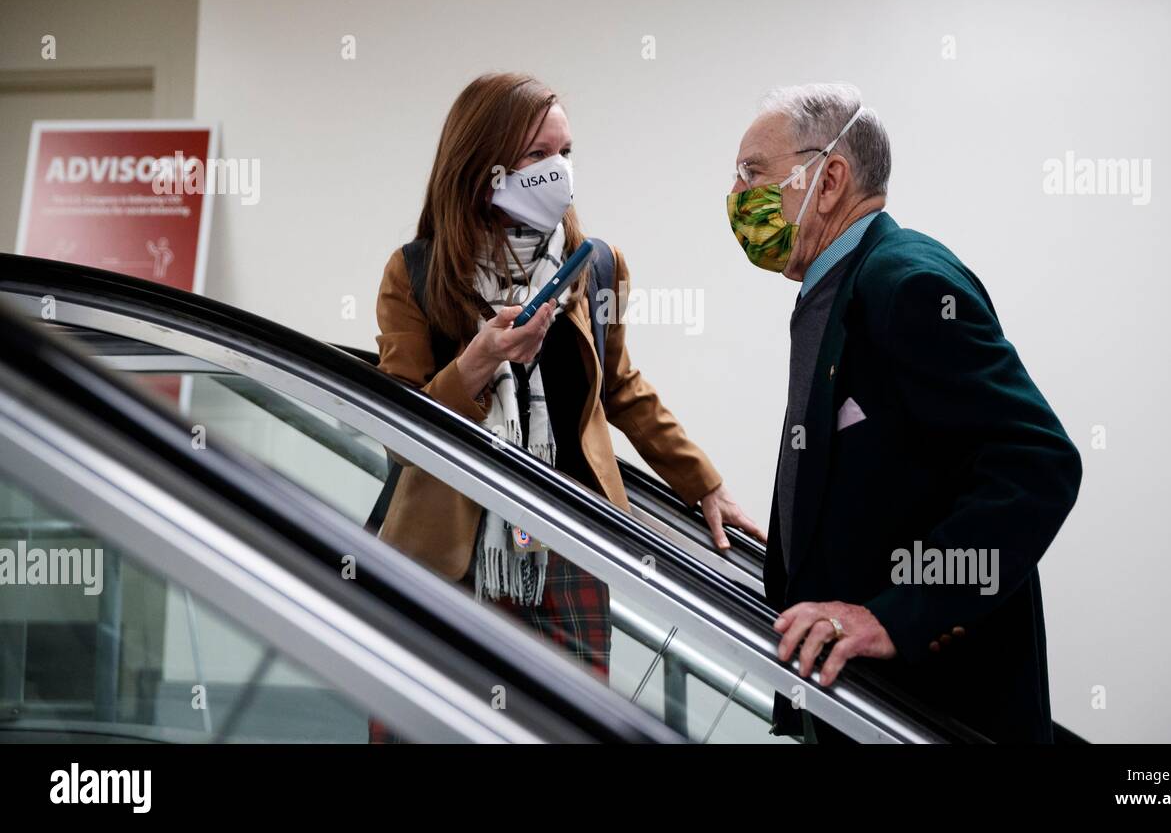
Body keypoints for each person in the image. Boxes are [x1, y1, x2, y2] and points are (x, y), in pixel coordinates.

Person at [374, 71, 763, 687]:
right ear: (484, 166)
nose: (559, 171)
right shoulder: (416, 272)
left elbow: (621, 387)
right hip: (448, 555)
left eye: (566, 153)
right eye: (537, 155)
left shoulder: (596, 264)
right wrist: (477, 361)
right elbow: (397, 430)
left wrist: (704, 484)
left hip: (569, 546)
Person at [726, 83, 1082, 743]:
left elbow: (1038, 464)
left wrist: (895, 616)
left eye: (753, 172)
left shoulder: (906, 284)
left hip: (935, 709)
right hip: (858, 705)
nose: (738, 196)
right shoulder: (836, 288)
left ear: (828, 179)